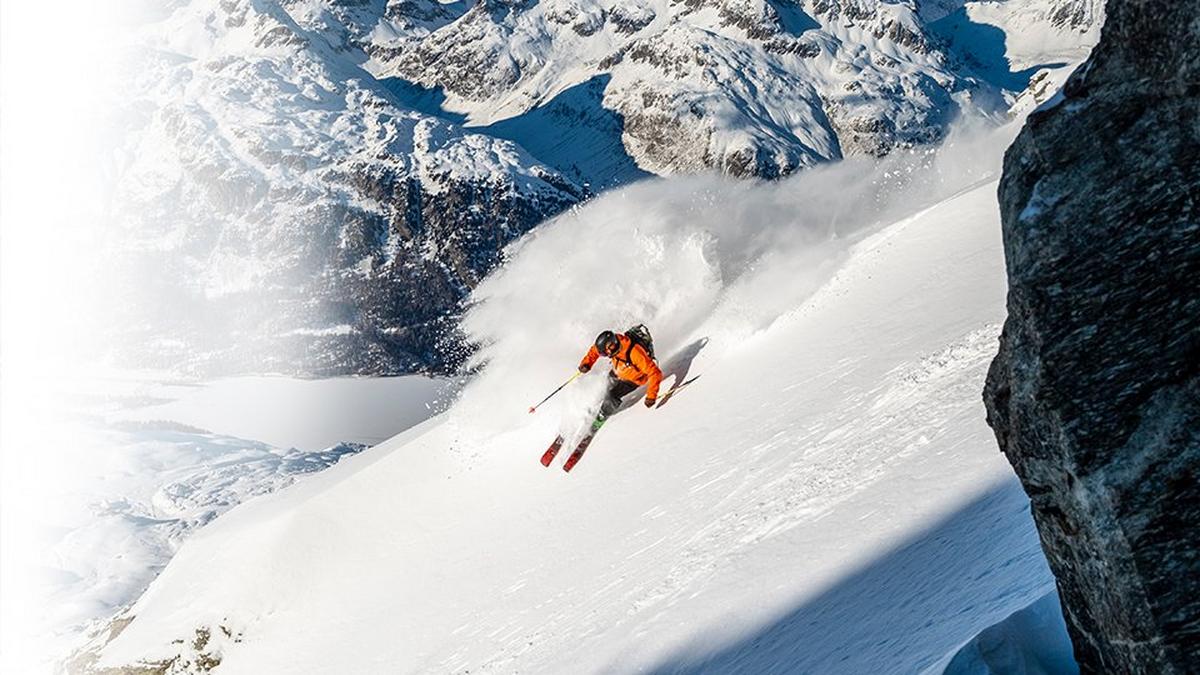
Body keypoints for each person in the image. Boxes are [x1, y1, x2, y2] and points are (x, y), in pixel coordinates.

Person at [578, 329, 663, 419]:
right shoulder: (613, 344)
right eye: (604, 353)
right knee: (605, 385)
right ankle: (594, 406)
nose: (608, 354)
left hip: (633, 380)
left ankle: (601, 417)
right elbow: (595, 350)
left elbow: (655, 372)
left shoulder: (635, 353)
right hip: (619, 370)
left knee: (612, 395)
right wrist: (587, 363)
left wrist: (651, 396)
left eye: (607, 352)